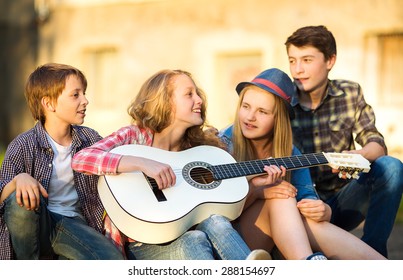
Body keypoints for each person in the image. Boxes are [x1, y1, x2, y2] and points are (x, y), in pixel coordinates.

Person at [72, 69, 270, 260]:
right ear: (165, 102)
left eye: (197, 93)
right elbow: (82, 158)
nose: (199, 99)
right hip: (143, 245)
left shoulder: (200, 150)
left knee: (215, 222)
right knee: (194, 240)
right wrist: (142, 163)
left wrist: (256, 182)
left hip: (191, 233)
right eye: (189, 94)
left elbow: (218, 198)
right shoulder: (134, 136)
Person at [220, 68, 386, 260]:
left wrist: (324, 211)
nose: (249, 117)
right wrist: (258, 191)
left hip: (276, 236)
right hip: (229, 240)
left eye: (262, 111)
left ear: (278, 119)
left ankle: (385, 269)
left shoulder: (291, 154)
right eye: (246, 106)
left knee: (301, 212)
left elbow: (307, 200)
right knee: (280, 193)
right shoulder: (221, 144)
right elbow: (216, 214)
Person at [284, 25, 403, 258]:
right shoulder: (282, 101)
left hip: (343, 202)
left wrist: (357, 156)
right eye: (292, 60)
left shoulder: (350, 93)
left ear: (330, 60)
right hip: (301, 207)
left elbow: (376, 143)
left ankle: (373, 256)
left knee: (391, 167)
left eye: (307, 60)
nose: (298, 70)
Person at [0, 63, 125, 260]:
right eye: (75, 95)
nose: (85, 100)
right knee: (19, 200)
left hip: (74, 225)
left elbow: (117, 167)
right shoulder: (23, 144)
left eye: (84, 93)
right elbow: (2, 197)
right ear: (49, 104)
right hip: (36, 226)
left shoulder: (90, 140)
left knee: (111, 260)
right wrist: (19, 180)